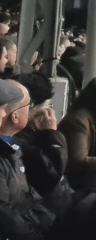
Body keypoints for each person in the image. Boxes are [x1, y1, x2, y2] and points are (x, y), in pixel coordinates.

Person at [0, 80, 55, 239]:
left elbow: (28, 197)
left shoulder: (10, 148)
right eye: (2, 109)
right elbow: (5, 215)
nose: (5, 115)